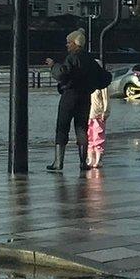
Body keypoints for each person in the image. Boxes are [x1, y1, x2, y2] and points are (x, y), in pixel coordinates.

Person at [46, 29, 98, 172]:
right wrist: (91, 87)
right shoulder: (90, 59)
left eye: (69, 42)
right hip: (85, 97)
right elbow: (104, 77)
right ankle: (83, 162)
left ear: (76, 43)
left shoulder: (71, 58)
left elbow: (62, 73)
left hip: (69, 96)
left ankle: (58, 162)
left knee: (62, 128)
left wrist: (53, 65)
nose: (67, 45)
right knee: (82, 128)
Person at [87, 75, 110, 169]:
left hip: (98, 114)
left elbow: (106, 100)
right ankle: (90, 159)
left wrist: (106, 112)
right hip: (88, 114)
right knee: (89, 137)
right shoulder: (87, 82)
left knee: (98, 137)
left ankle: (98, 160)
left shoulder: (103, 84)